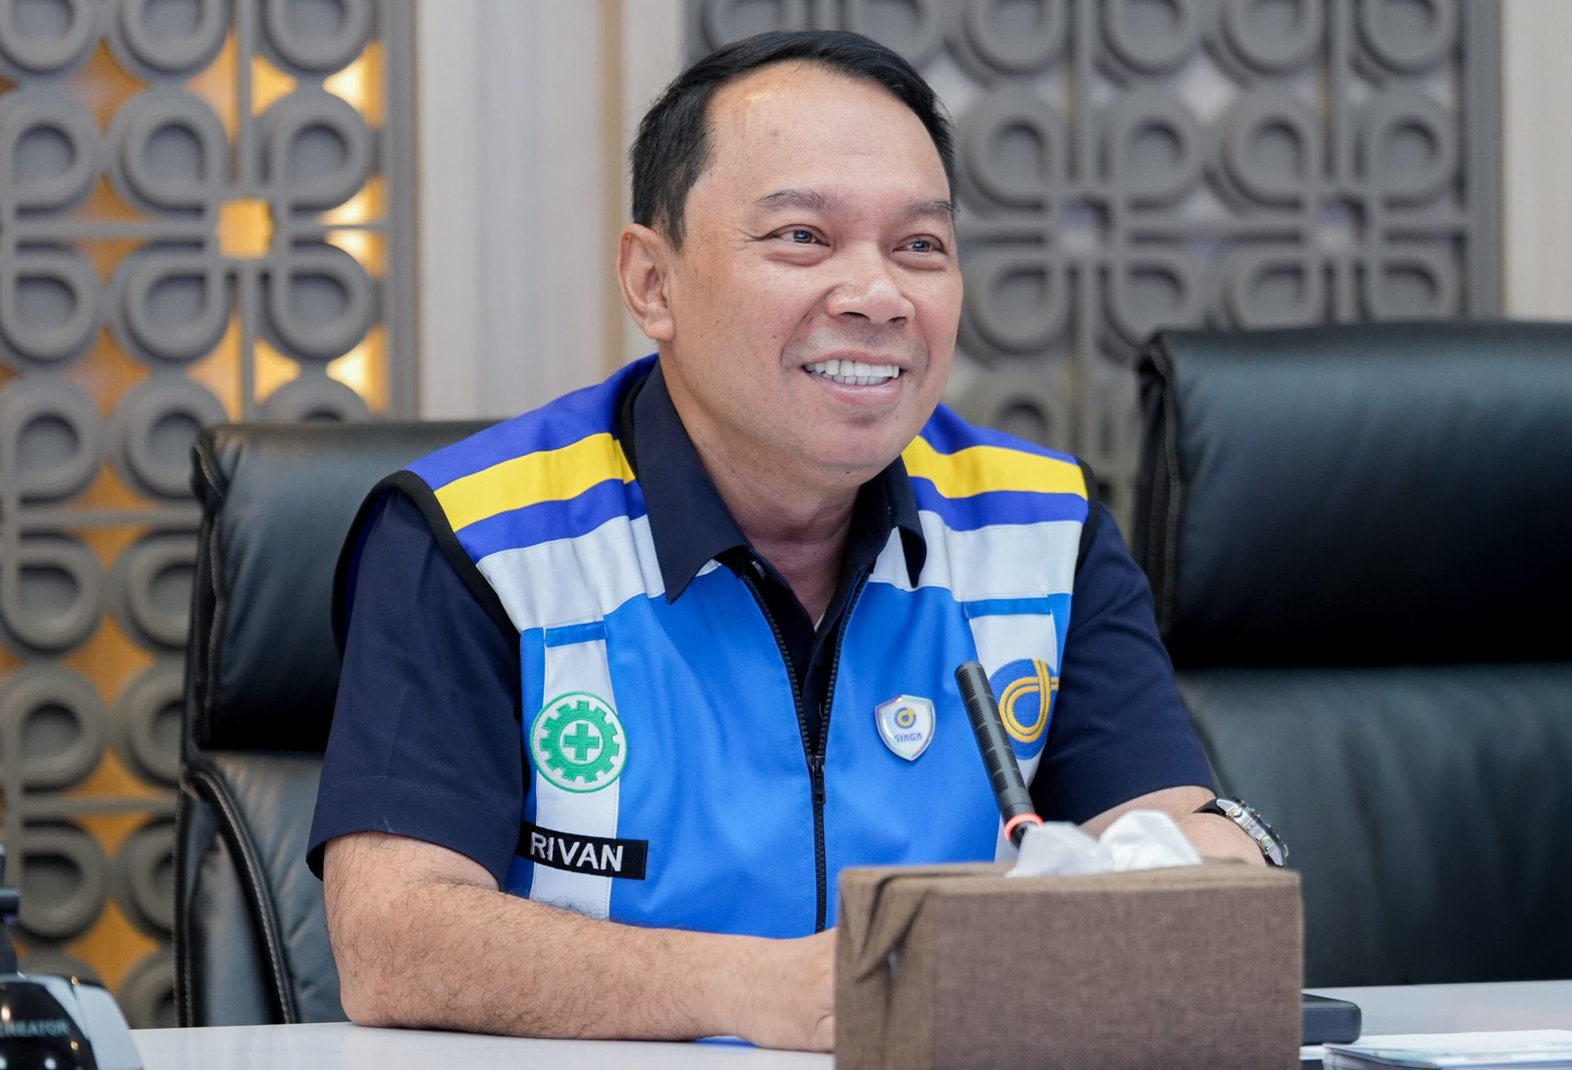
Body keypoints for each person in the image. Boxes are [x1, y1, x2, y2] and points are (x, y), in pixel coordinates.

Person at [308, 29, 1271, 1053]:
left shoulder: (1039, 531)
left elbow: (1171, 840)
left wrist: (1202, 866)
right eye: (803, 237)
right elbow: (392, 937)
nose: (877, 295)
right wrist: (752, 989)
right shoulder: (478, 539)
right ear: (653, 283)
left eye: (920, 247)